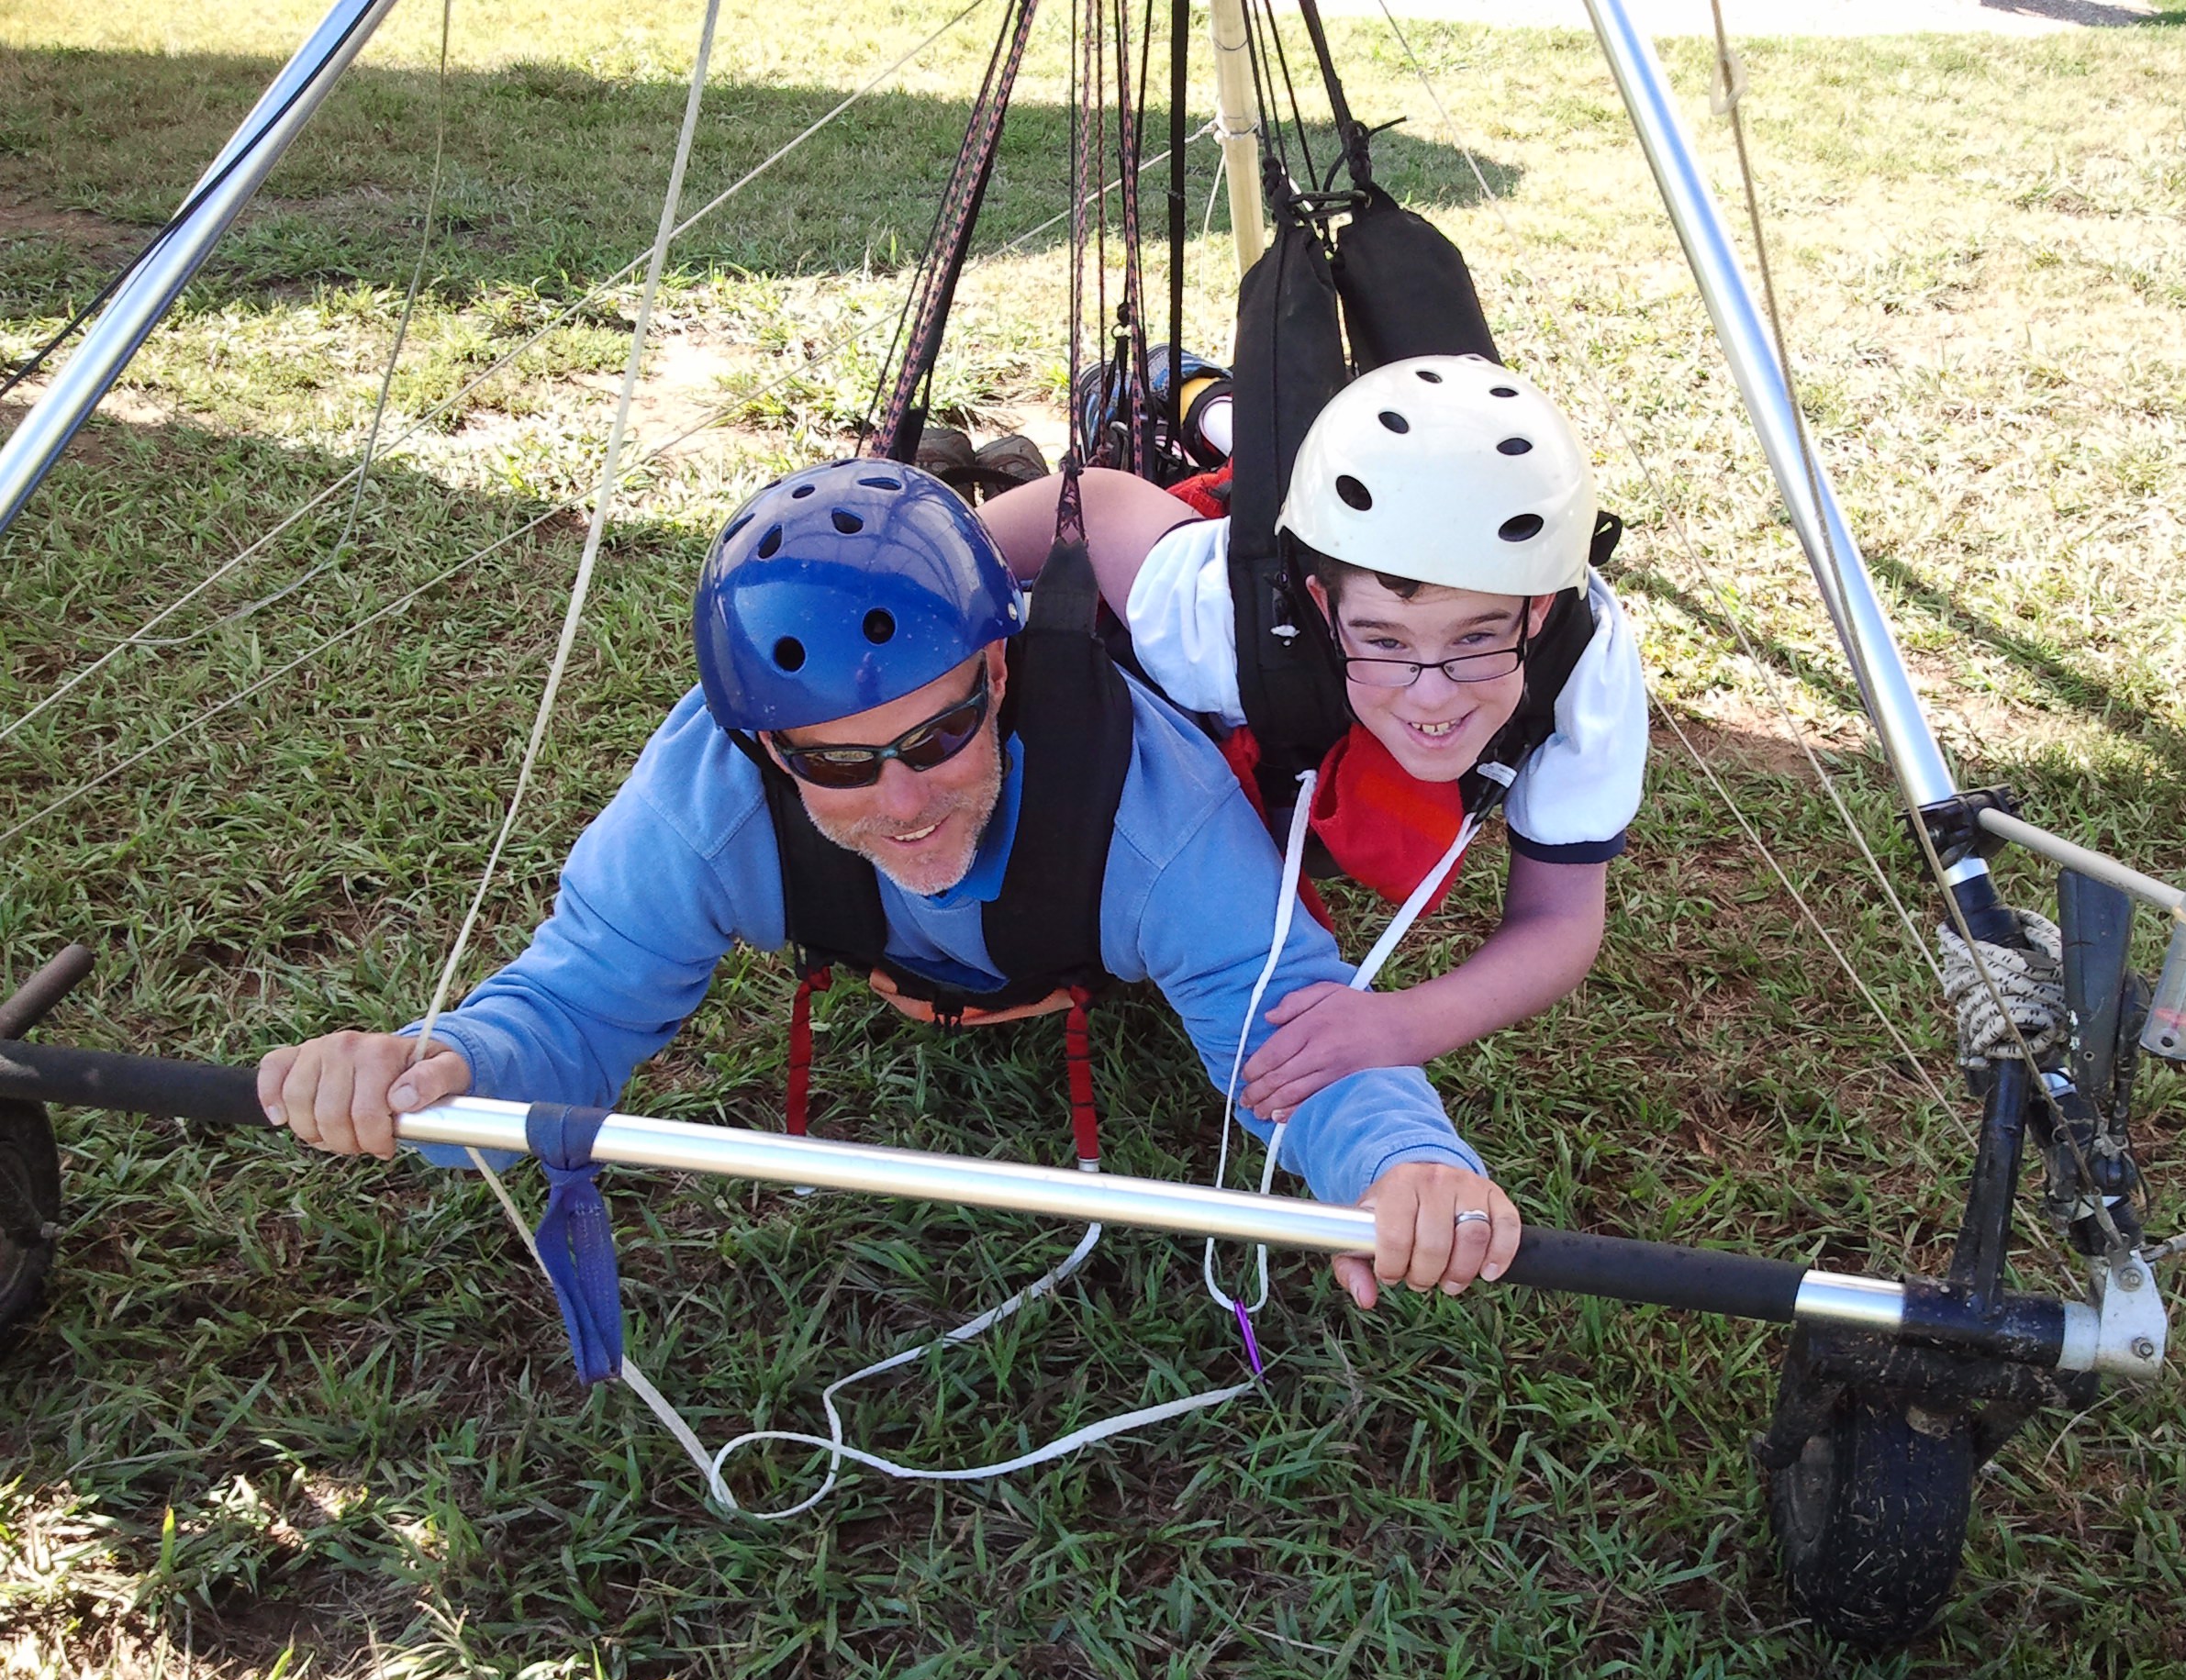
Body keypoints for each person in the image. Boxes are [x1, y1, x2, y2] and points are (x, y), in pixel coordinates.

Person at [259, 461, 1522, 1309]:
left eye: (941, 734)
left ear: (1001, 674)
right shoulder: (709, 797)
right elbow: (576, 1002)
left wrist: (1400, 1167)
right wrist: (439, 1068)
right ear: (765, 747)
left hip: (1105, 867)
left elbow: (1286, 1021)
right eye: (837, 765)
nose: (904, 800)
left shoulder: (1152, 813)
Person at [979, 356, 1648, 1126]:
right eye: (1385, 641)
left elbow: (1561, 918)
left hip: (1317, 727)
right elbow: (1094, 507)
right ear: (1322, 608)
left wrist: (1405, 1024)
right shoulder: (1219, 614)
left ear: (1537, 612)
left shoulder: (1582, 667)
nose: (1432, 695)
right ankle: (1183, 390)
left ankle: (1199, 395)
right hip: (1190, 676)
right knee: (1245, 464)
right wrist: (941, 557)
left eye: (1475, 639)